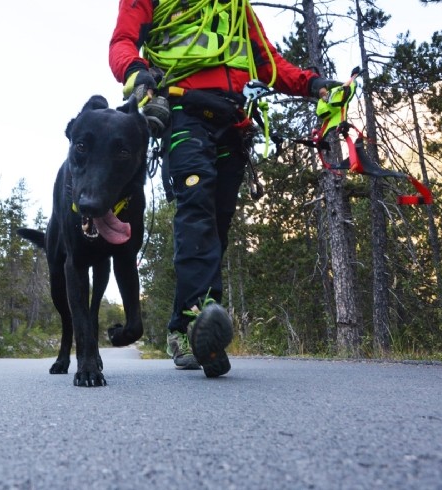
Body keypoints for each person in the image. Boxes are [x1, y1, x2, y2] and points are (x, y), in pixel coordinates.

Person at [109, 0, 338, 377]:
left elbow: (267, 63)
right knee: (196, 206)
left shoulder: (234, 7)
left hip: (233, 119)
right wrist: (138, 73)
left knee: (217, 225)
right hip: (183, 112)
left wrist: (313, 84)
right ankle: (201, 319)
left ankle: (182, 328)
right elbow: (122, 42)